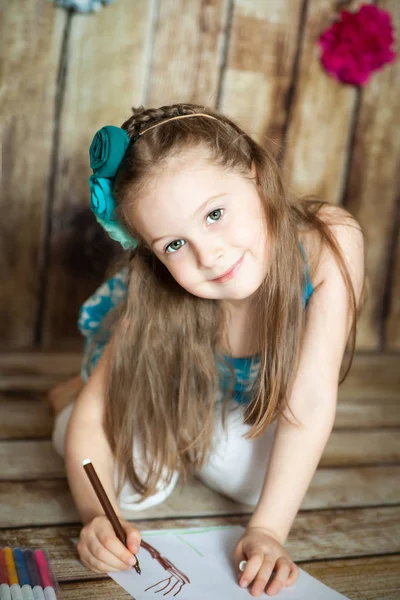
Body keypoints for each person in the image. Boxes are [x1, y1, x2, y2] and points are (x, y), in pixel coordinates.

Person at [49, 103, 365, 597]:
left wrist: (267, 530)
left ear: (256, 176)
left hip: (240, 400)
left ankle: (191, 436)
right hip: (173, 390)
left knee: (263, 490)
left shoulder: (328, 240)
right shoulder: (155, 288)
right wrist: (95, 517)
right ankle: (69, 393)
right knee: (132, 484)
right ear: (152, 253)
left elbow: (312, 400)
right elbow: (94, 419)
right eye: (174, 245)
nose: (208, 255)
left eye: (214, 214)